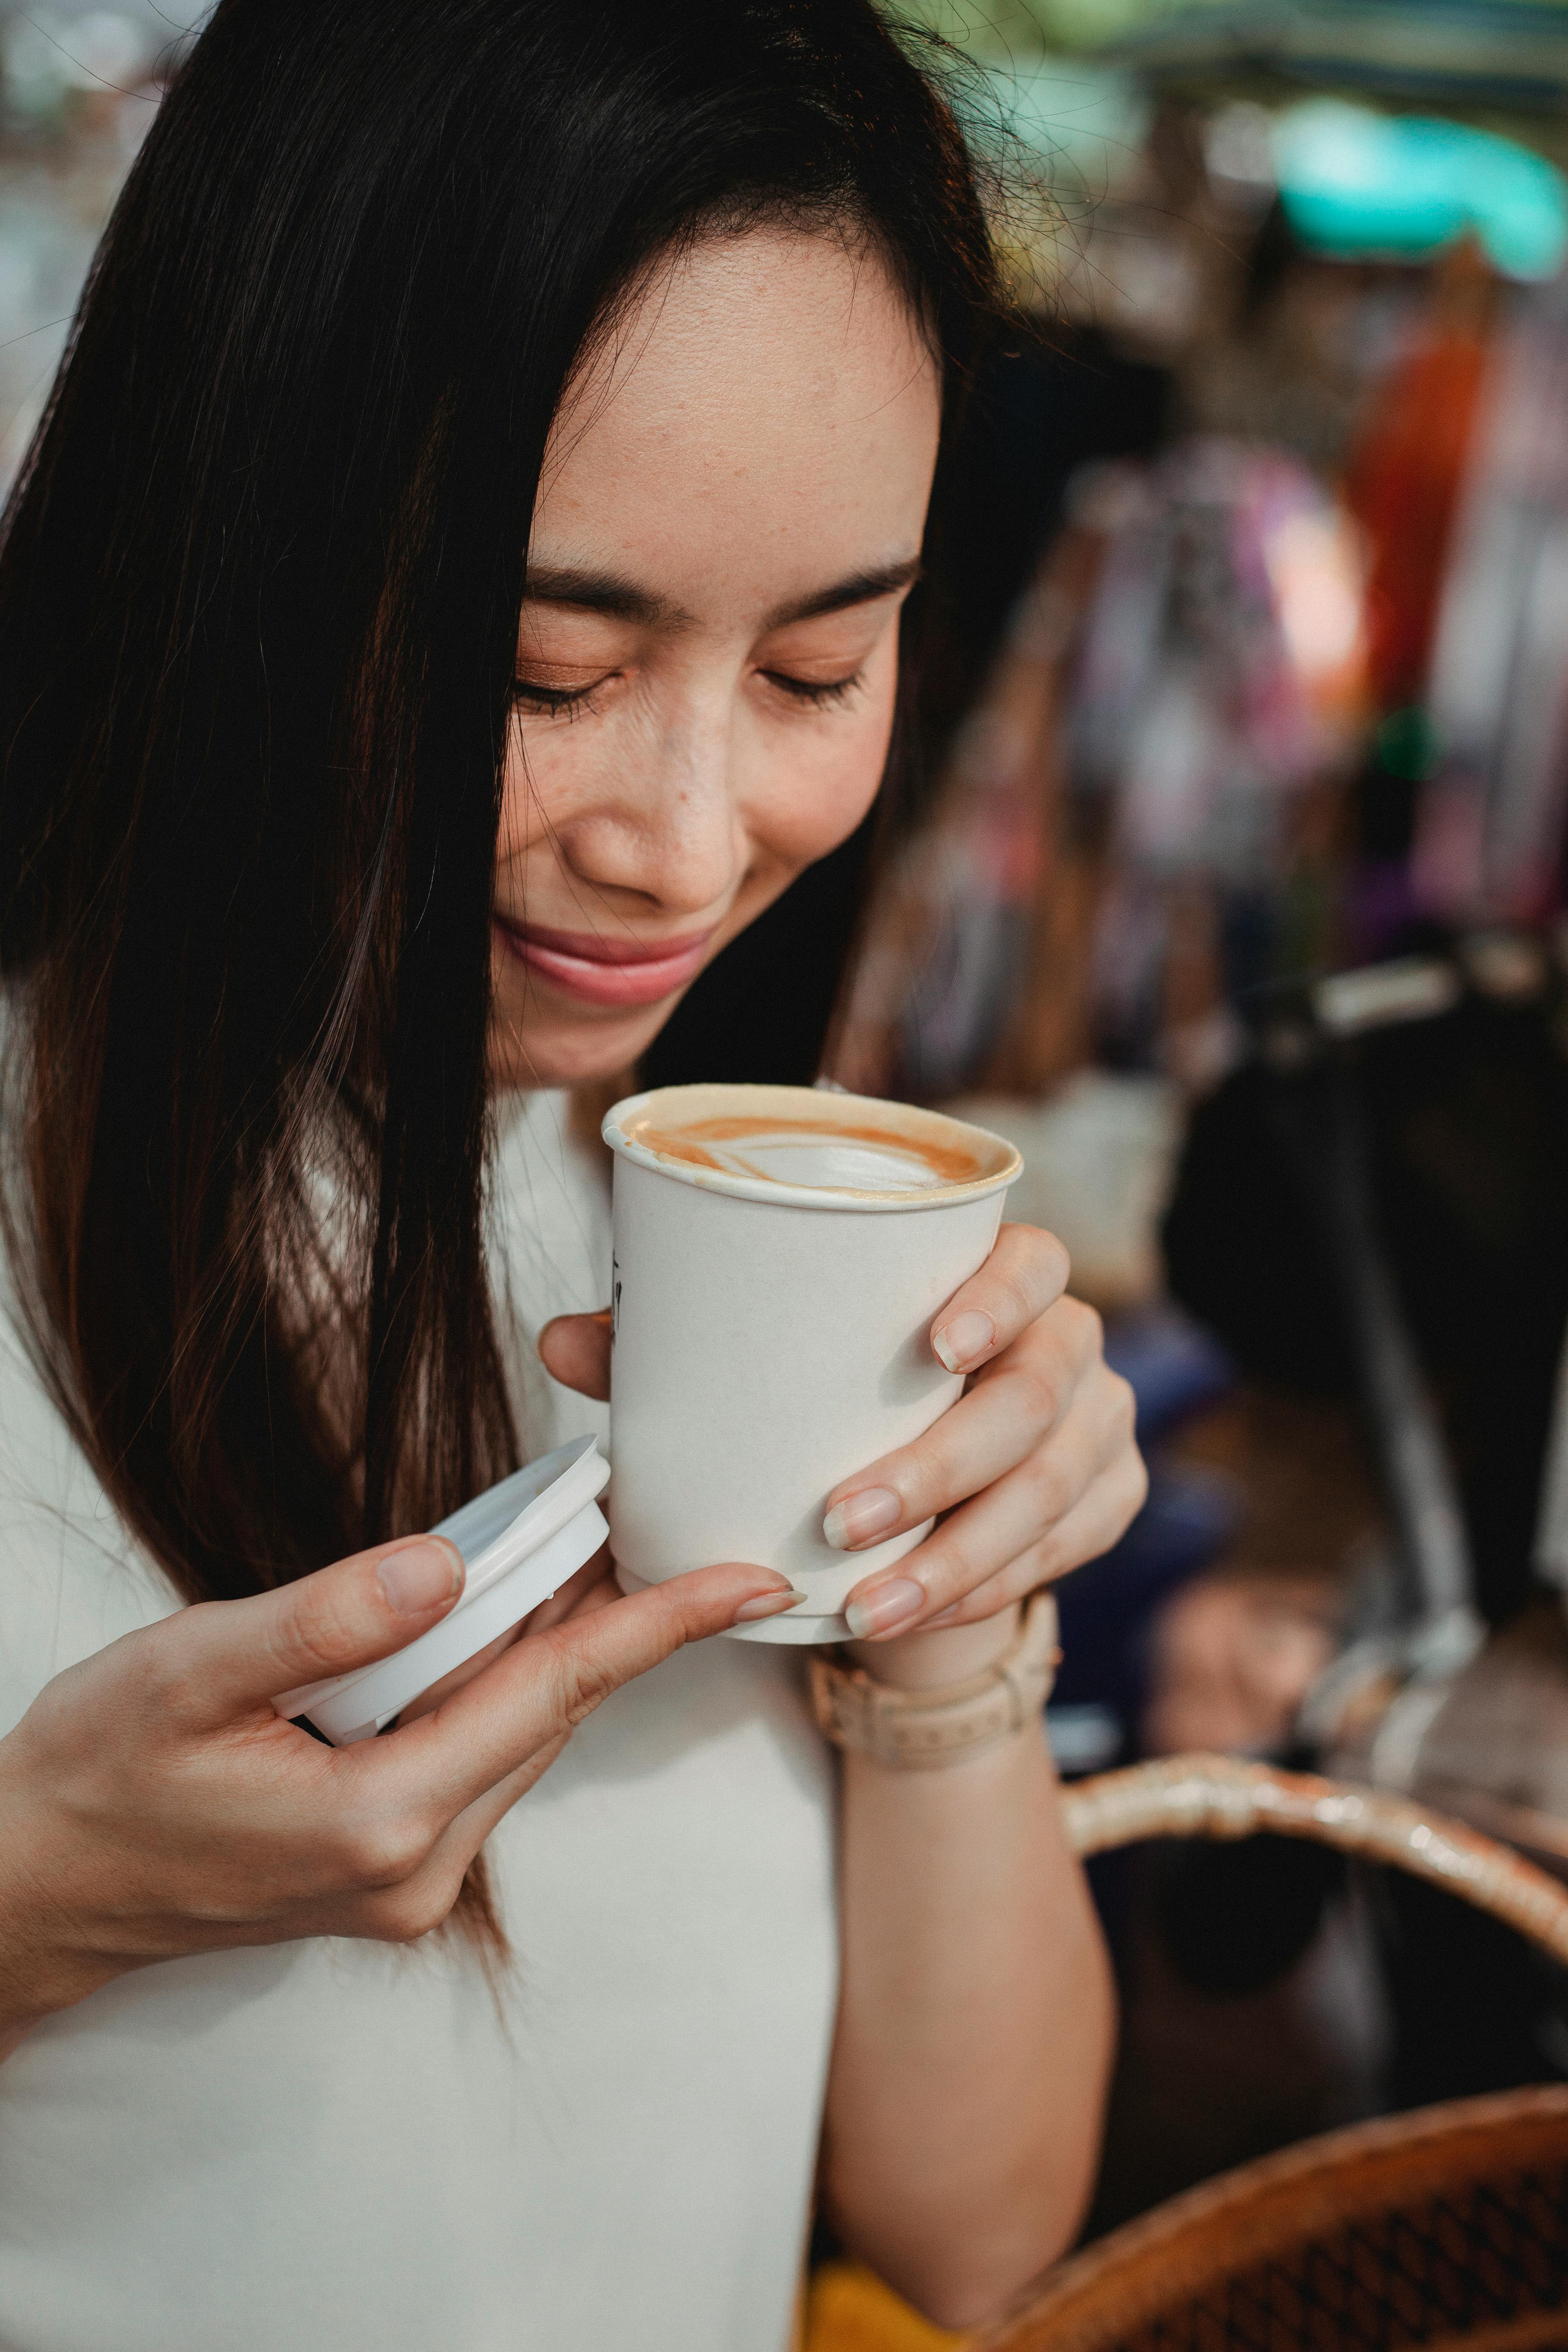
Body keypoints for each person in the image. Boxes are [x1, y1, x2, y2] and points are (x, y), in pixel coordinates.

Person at [0, 5, 1143, 2346]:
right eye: (541, 674)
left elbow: (982, 2229)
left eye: (821, 670)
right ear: (215, 538)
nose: (690, 847)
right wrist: (39, 1905)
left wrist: (951, 1639)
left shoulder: (719, 1229)